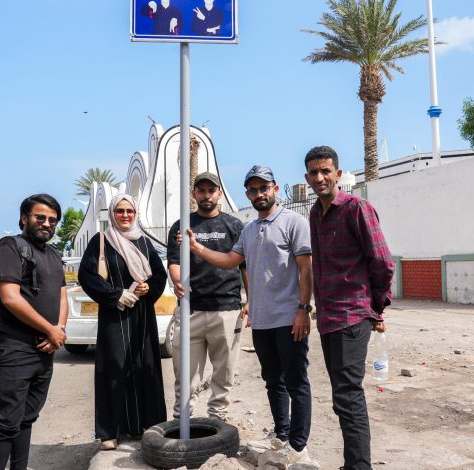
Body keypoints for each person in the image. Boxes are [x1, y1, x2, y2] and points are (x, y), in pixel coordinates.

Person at [186, 166, 313, 462]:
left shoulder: (294, 222)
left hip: (290, 318)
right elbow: (230, 260)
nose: (259, 194)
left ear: (275, 189)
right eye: (253, 190)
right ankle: (281, 435)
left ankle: (298, 446)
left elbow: (306, 270)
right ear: (248, 195)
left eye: (263, 188)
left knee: (296, 382)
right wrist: (196, 248)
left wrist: (303, 310)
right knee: (273, 381)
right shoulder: (249, 230)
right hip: (262, 320)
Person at [304, 146, 395, 470]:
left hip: (351, 315)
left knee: (348, 395)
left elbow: (382, 262)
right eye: (314, 172)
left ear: (338, 174)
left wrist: (376, 306)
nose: (320, 177)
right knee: (342, 396)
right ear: (307, 177)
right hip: (328, 317)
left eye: (325, 171)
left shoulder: (357, 208)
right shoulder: (315, 214)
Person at [0, 193, 68, 470]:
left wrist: (58, 330)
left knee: (26, 418)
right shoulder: (10, 248)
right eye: (40, 217)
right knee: (6, 421)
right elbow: (10, 298)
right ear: (24, 218)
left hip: (44, 349)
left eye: (52, 220)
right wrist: (50, 330)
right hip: (12, 348)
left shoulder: (54, 255)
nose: (46, 224)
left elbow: (62, 296)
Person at [78, 194, 168, 450]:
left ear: (135, 213)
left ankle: (144, 426)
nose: (125, 215)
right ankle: (110, 432)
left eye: (130, 211)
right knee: (114, 368)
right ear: (112, 214)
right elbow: (87, 275)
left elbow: (159, 275)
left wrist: (148, 287)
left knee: (143, 367)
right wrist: (115, 294)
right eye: (120, 210)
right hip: (115, 314)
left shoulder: (144, 242)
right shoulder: (102, 240)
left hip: (142, 316)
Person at [166, 171, 247, 421]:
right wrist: (178, 281)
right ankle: (182, 421)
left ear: (219, 193)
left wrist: (251, 301)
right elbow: (174, 262)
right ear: (194, 194)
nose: (206, 195)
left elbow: (245, 266)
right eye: (201, 191)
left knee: (224, 372)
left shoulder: (234, 226)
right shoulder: (182, 225)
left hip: (226, 308)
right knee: (185, 374)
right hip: (191, 309)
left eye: (211, 190)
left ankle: (217, 419)